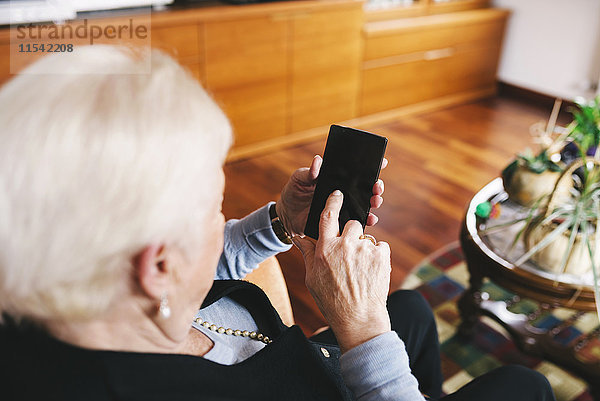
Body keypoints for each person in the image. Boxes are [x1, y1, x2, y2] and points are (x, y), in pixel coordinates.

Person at [0, 45, 556, 401]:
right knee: (523, 384)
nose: (221, 223)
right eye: (212, 211)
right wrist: (363, 331)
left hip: (305, 358)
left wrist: (279, 223)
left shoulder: (65, 288)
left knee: (409, 309)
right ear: (160, 264)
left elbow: (192, 274)